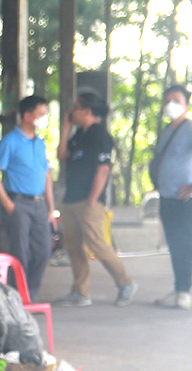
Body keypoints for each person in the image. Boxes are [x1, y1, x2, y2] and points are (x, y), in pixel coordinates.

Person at [53, 91, 137, 307]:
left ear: (87, 111)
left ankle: (125, 283)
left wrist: (92, 199)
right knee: (73, 246)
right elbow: (62, 155)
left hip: (89, 201)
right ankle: (80, 292)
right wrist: (66, 129)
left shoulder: (100, 135)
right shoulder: (78, 134)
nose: (72, 111)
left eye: (76, 107)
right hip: (70, 198)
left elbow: (103, 170)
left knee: (97, 245)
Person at [0, 95, 56, 300]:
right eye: (41, 114)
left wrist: (51, 208)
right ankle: (18, 298)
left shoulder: (40, 144)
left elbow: (46, 177)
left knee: (44, 250)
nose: (44, 118)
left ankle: (30, 295)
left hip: (39, 204)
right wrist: (8, 204)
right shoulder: (10, 142)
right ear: (27, 116)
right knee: (20, 252)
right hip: (18, 203)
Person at [152, 85, 192, 309]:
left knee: (184, 243)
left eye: (176, 100)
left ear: (186, 105)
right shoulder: (167, 130)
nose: (171, 104)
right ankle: (178, 287)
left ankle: (184, 291)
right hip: (167, 196)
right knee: (173, 243)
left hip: (187, 200)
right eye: (167, 99)